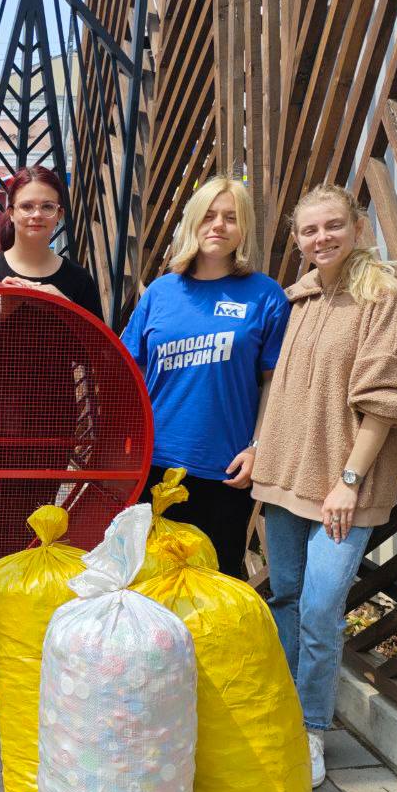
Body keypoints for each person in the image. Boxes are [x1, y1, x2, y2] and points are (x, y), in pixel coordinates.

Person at [252, 183, 397, 787]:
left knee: (322, 607)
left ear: (357, 227)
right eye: (309, 230)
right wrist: (259, 446)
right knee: (286, 598)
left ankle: (310, 728)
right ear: (298, 240)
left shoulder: (383, 297)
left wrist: (349, 480)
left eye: (333, 226)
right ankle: (280, 713)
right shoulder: (298, 299)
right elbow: (277, 387)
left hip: (344, 488)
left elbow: (386, 400)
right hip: (285, 476)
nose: (321, 238)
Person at [0, 165, 102, 580]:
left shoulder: (76, 281)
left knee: (34, 530)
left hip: (47, 425)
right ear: (10, 212)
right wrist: (0, 312)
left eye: (47, 206)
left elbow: (96, 351)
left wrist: (63, 306)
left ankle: (24, 608)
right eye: (27, 206)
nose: (36, 215)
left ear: (59, 214)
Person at [121, 175, 290, 577]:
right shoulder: (161, 292)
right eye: (209, 215)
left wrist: (257, 447)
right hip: (153, 464)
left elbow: (274, 382)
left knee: (215, 582)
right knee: (146, 581)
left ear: (244, 228)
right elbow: (128, 372)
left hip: (224, 470)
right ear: (193, 222)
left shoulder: (265, 295)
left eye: (231, 217)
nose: (218, 225)